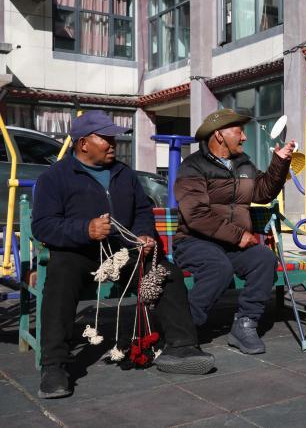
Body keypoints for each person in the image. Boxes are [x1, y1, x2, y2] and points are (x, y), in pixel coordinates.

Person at [32, 110, 214, 400]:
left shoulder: (124, 174)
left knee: (166, 273)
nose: (113, 144)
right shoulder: (54, 178)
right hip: (78, 253)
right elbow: (43, 225)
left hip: (123, 250)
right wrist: (85, 229)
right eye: (105, 138)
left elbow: (142, 211)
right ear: (83, 143)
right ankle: (54, 366)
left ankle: (181, 347)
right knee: (60, 276)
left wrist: (144, 235)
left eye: (113, 138)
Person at [173, 109, 294, 355]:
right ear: (219, 135)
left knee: (264, 258)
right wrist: (238, 235)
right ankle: (183, 329)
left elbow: (263, 193)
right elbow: (195, 214)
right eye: (240, 132)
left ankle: (245, 324)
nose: (244, 137)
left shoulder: (244, 164)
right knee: (219, 267)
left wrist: (279, 163)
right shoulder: (192, 166)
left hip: (230, 245)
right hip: (195, 242)